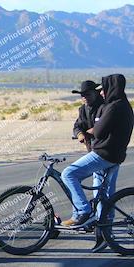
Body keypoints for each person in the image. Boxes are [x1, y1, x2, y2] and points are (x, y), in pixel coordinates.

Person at [61, 74, 134, 248]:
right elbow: (79, 126)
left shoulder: (113, 107)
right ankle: (104, 237)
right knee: (104, 196)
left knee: (69, 173)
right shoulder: (121, 105)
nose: (102, 93)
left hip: (104, 154)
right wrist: (82, 133)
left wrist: (92, 130)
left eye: (104, 89)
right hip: (113, 155)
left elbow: (100, 131)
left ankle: (82, 211)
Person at [72, 80, 104, 152]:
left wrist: (95, 130)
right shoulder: (83, 109)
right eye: (82, 95)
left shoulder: (105, 107)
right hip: (91, 148)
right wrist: (79, 134)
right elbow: (77, 126)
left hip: (105, 148)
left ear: (95, 93)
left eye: (88, 94)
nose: (85, 97)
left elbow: (107, 125)